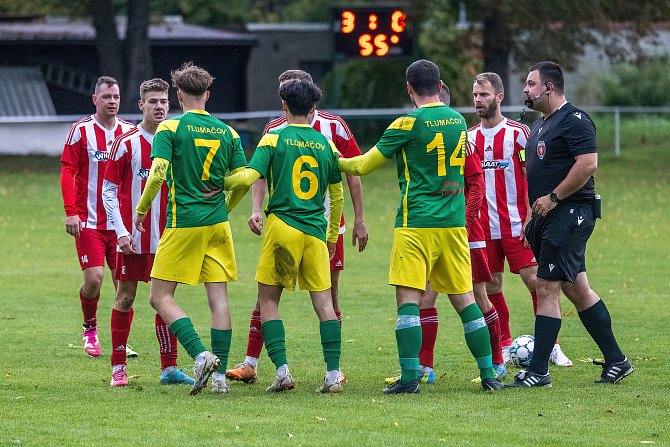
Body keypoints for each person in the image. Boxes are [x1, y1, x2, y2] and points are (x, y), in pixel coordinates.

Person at [339, 59, 504, 394]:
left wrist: (331, 156)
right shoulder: (459, 121)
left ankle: (411, 377)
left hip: (416, 224)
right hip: (454, 226)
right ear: (441, 85)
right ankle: (489, 374)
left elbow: (365, 164)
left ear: (409, 88)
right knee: (466, 301)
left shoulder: (407, 122)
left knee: (409, 301)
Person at [226, 69, 368, 385]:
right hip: (317, 233)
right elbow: (338, 192)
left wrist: (218, 182)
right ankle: (332, 374)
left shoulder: (274, 137)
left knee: (268, 301)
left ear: (284, 107)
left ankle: (282, 373)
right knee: (325, 303)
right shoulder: (324, 143)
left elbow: (251, 175)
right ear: (313, 108)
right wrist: (332, 236)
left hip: (283, 229)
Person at [508, 61, 632, 388]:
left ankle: (537, 372)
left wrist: (554, 198)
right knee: (577, 289)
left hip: (570, 214)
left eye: (531, 84)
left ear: (548, 87)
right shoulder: (539, 126)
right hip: (547, 218)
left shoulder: (575, 120)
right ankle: (618, 361)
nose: (525, 89)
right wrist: (533, 214)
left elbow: (588, 164)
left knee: (546, 286)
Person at [133, 62, 249, 396]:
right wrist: (226, 206)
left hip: (184, 222)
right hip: (218, 224)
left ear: (179, 95)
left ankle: (200, 355)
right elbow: (242, 178)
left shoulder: (170, 129)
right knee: (218, 298)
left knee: (159, 296)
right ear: (207, 94)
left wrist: (141, 211)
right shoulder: (228, 132)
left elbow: (157, 174)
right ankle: (220, 380)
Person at [385, 82, 506, 385]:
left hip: (462, 229)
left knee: (477, 296)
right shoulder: (443, 131)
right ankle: (425, 366)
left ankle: (496, 362)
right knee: (427, 298)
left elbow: (476, 183)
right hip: (442, 227)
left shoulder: (459, 137)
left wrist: (464, 220)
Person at [468, 72, 573, 367]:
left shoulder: (519, 133)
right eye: (475, 95)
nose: (479, 100)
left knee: (537, 282)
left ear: (499, 97)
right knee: (491, 288)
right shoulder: (469, 137)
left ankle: (551, 345)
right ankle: (502, 345)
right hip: (483, 229)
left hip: (517, 224)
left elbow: (534, 177)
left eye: (484, 95)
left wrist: (530, 219)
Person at [102, 78, 194, 387]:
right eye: (152, 101)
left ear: (171, 104)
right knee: (125, 297)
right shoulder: (126, 142)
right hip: (133, 239)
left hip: (169, 237)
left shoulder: (179, 141)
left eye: (164, 102)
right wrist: (122, 231)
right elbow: (109, 191)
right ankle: (118, 368)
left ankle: (169, 368)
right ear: (141, 105)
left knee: (164, 299)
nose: (159, 107)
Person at [61, 76, 135, 357]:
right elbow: (68, 170)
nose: (112, 102)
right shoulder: (81, 130)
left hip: (121, 226)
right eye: (106, 97)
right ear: (95, 100)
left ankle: (120, 342)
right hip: (89, 222)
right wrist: (71, 211)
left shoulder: (129, 132)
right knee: (94, 279)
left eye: (115, 97)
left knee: (124, 287)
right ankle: (89, 329)